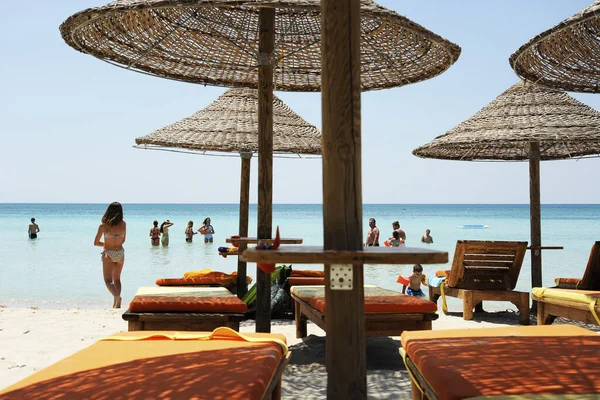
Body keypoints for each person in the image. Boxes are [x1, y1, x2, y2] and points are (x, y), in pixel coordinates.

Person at [93, 202, 126, 308]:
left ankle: (117, 297)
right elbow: (123, 240)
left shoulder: (103, 226)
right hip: (120, 253)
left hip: (109, 253)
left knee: (108, 281)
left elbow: (96, 243)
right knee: (117, 279)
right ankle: (116, 304)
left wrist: (106, 244)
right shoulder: (123, 224)